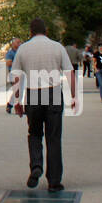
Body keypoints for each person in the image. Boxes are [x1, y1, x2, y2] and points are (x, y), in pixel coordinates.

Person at [11, 18, 77, 192]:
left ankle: (36, 166)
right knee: (53, 137)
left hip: (33, 94)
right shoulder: (57, 47)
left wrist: (17, 100)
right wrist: (74, 97)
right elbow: (70, 72)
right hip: (53, 92)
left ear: (30, 32)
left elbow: (16, 77)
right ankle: (54, 181)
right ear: (46, 31)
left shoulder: (23, 49)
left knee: (34, 133)